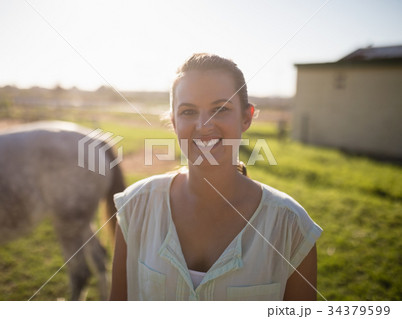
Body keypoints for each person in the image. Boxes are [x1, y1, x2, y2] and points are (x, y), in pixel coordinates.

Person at [110, 53, 322, 301]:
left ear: (246, 117)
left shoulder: (291, 227)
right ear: (174, 122)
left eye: (220, 109)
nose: (204, 125)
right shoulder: (135, 207)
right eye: (188, 111)